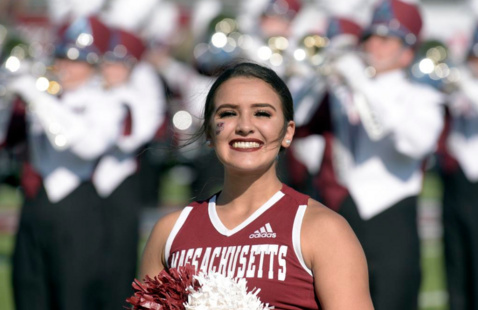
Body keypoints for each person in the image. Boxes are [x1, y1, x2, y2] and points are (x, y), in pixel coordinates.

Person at [140, 62, 374, 309]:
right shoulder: (169, 231)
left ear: (288, 132)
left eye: (262, 113)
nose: (244, 126)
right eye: (228, 113)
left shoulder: (324, 230)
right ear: (209, 132)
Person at [320, 0, 444, 309]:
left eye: (386, 39)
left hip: (392, 216)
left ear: (407, 53)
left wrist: (361, 82)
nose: (373, 45)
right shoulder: (347, 87)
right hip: (344, 211)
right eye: (370, 37)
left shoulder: (422, 96)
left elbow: (413, 144)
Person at [6, 15, 125, 310]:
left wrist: (35, 95)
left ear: (93, 65)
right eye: (61, 58)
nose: (65, 67)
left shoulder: (105, 101)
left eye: (77, 61)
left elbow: (85, 146)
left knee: (74, 298)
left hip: (78, 208)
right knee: (28, 293)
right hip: (35, 203)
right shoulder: (45, 98)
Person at [436, 22, 478, 310]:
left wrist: (465, 83)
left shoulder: (469, 87)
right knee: (454, 257)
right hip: (455, 180)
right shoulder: (463, 86)